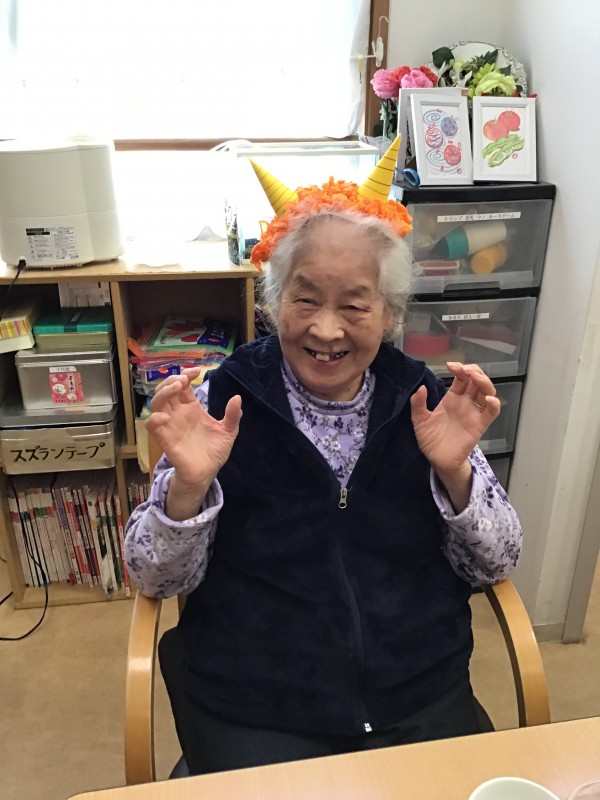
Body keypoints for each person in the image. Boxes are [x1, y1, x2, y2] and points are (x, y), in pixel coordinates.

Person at [125, 137, 522, 776]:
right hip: (256, 702)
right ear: (272, 301)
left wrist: (455, 474)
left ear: (389, 314)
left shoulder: (424, 401)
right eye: (305, 298)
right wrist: (188, 490)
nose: (327, 329)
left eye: (355, 305)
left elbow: (496, 563)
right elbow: (153, 579)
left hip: (414, 693)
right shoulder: (223, 402)